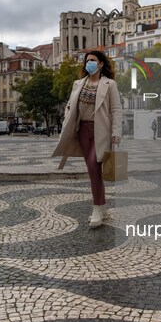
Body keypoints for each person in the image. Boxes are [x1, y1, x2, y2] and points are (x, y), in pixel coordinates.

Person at [52, 50, 122, 228]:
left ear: (100, 64)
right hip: (82, 129)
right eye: (86, 61)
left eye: (92, 60)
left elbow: (116, 109)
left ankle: (97, 209)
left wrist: (116, 132)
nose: (88, 63)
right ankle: (103, 206)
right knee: (94, 169)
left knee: (93, 166)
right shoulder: (78, 84)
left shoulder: (109, 84)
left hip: (101, 130)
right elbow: (70, 106)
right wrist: (68, 123)